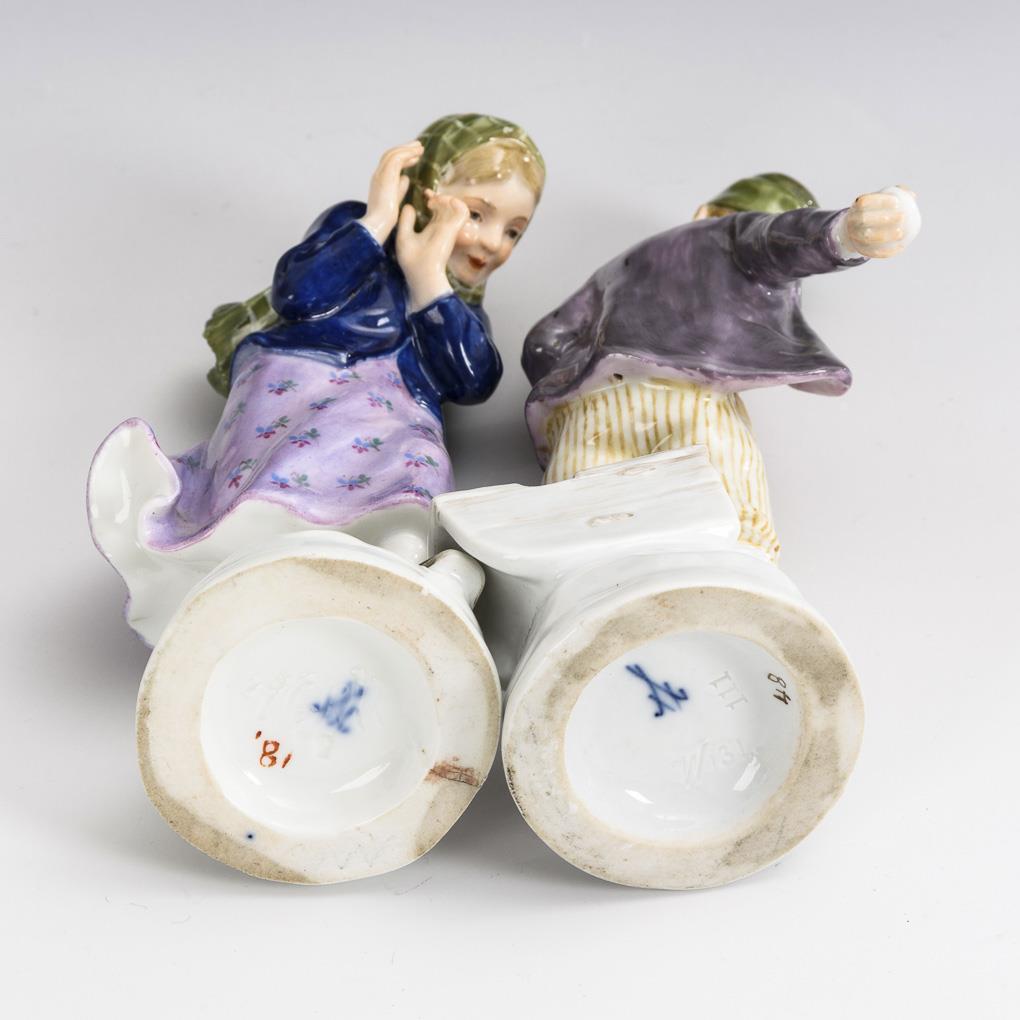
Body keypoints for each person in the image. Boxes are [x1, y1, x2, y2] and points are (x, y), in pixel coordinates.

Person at [89, 113, 544, 641]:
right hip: (301, 372)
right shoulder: (356, 229)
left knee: (418, 460)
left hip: (397, 408)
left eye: (513, 231)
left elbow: (473, 381)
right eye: (476, 213)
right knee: (301, 447)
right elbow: (298, 295)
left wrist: (427, 279)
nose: (492, 241)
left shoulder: (451, 301)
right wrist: (378, 220)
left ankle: (389, 561)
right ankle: (258, 542)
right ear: (425, 191)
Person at [521, 174, 919, 560]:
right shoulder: (737, 237)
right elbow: (780, 240)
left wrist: (569, 389)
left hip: (595, 402)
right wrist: (844, 233)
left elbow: (545, 339)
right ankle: (738, 566)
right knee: (732, 504)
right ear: (713, 216)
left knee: (578, 505)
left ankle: (577, 569)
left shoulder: (618, 267)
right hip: (694, 401)